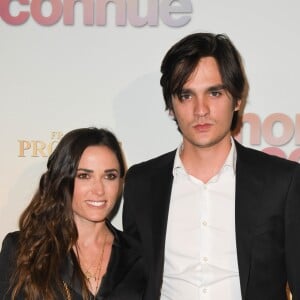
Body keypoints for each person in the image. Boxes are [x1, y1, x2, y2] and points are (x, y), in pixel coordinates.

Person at [122, 32, 300, 300]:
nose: (200, 109)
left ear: (237, 100)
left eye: (214, 93)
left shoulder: (282, 182)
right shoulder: (141, 183)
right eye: (185, 95)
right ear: (171, 105)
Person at [0, 127, 146, 300]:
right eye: (84, 176)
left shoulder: (140, 255)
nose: (99, 190)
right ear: (62, 181)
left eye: (110, 176)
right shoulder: (21, 249)